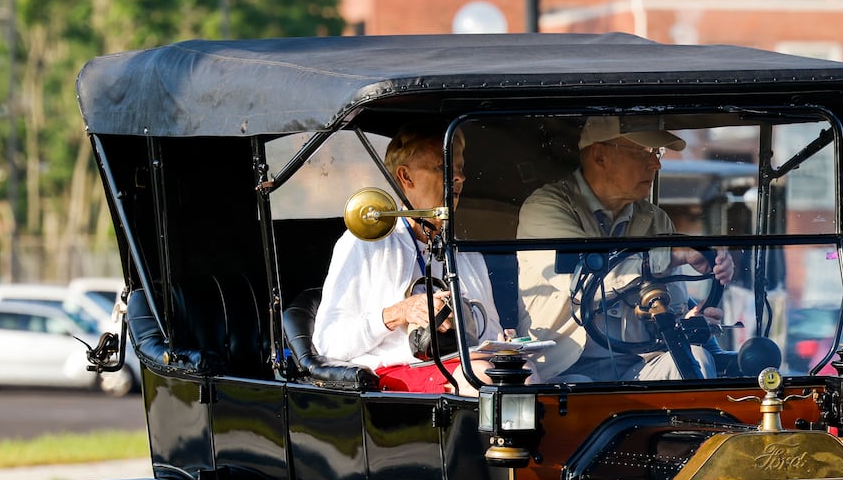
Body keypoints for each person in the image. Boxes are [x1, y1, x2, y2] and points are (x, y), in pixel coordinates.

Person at [515, 116, 734, 382]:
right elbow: (583, 282)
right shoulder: (545, 208)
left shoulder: (655, 218)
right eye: (644, 152)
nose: (656, 163)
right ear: (600, 156)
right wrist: (673, 255)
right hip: (567, 368)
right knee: (581, 388)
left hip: (638, 364)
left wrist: (687, 321)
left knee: (695, 358)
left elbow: (669, 304)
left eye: (657, 152)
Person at [312, 121, 504, 392]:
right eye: (443, 167)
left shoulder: (466, 251)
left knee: (525, 375)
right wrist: (397, 313)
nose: (459, 178)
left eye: (460, 170)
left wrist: (504, 343)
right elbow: (328, 342)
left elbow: (491, 332)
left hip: (466, 364)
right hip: (395, 373)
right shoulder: (367, 243)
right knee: (487, 379)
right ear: (406, 177)